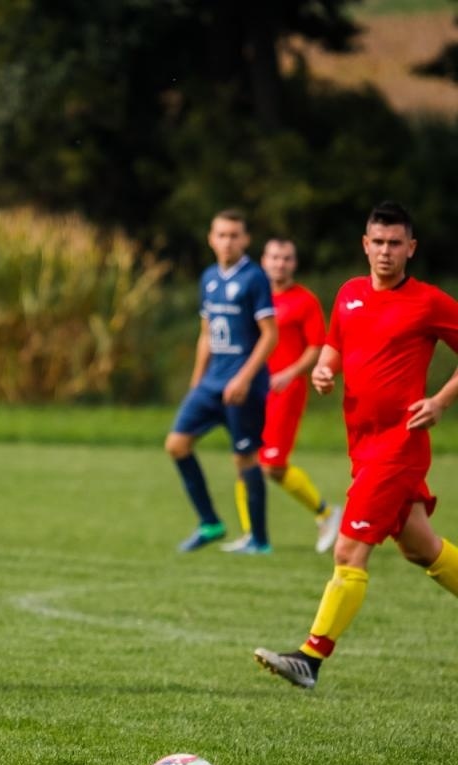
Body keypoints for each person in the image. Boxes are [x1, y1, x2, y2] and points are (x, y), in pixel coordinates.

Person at [256, 202, 458, 689]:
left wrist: (442, 401)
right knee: (419, 547)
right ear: (364, 245)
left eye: (395, 244)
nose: (385, 252)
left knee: (348, 551)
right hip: (362, 446)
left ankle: (311, 657)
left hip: (399, 445)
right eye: (378, 242)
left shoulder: (429, 302)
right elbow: (335, 343)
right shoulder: (348, 294)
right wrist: (325, 369)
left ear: (411, 248)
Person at [166, 209, 278, 554]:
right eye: (221, 235)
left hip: (244, 387)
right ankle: (210, 523)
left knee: (244, 459)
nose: (227, 241)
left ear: (245, 240)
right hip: (212, 384)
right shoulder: (209, 278)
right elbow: (206, 334)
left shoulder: (254, 278)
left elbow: (270, 335)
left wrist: (244, 378)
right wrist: (197, 381)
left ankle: (259, 540)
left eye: (234, 235)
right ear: (210, 239)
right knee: (176, 444)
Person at [222, 237, 342, 554]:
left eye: (286, 258)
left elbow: (317, 346)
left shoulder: (304, 301)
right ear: (263, 260)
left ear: (294, 263)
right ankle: (251, 534)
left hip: (285, 391)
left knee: (273, 465)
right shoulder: (252, 294)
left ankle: (327, 514)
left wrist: (290, 372)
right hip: (252, 389)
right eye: (274, 257)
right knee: (244, 458)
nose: (280, 263)